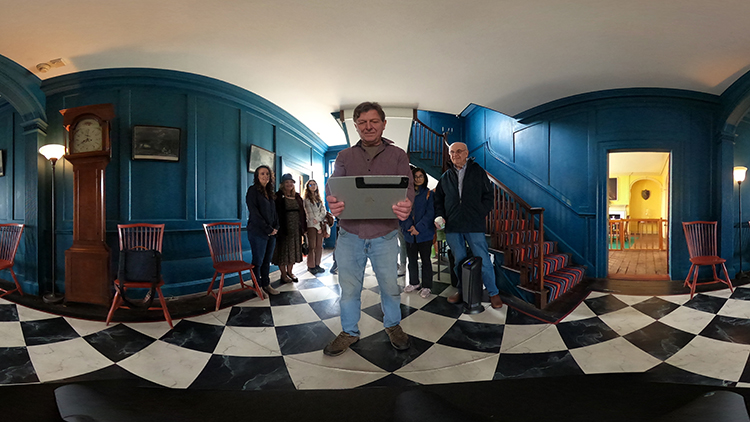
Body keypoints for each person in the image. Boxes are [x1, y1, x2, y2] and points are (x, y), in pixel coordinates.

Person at [324, 101, 414, 357]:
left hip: (384, 234)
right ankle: (349, 331)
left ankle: (393, 326)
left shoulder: (398, 155)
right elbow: (333, 187)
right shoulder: (343, 156)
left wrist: (407, 204)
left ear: (384, 124)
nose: (368, 126)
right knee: (349, 289)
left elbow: (407, 188)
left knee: (390, 286)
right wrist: (332, 203)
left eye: (374, 121)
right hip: (349, 234)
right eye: (362, 122)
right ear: (356, 126)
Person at [434, 142, 503, 309]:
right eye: (452, 152)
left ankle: (494, 293)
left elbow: (488, 196)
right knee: (459, 261)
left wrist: (480, 212)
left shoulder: (478, 172)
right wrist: (439, 215)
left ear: (466, 153)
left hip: (474, 224)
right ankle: (462, 290)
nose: (455, 155)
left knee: (483, 259)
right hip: (453, 225)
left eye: (459, 151)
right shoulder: (445, 177)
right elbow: (438, 201)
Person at [400, 167, 435, 299]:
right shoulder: (405, 194)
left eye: (421, 176)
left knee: (426, 260)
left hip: (424, 233)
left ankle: (427, 286)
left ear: (424, 178)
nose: (418, 179)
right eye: (416, 176)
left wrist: (418, 228)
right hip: (409, 234)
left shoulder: (429, 194)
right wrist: (409, 227)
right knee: (412, 260)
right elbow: (402, 212)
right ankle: (414, 282)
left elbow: (430, 213)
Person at [245, 165, 280, 296]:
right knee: (258, 261)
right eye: (262, 174)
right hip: (257, 232)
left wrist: (276, 227)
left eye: (267, 174)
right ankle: (257, 286)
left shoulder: (270, 192)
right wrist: (268, 229)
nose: (265, 176)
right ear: (257, 176)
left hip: (272, 232)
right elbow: (254, 213)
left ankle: (266, 284)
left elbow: (275, 212)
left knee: (267, 260)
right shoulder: (252, 191)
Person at [273, 173, 307, 283]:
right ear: (282, 184)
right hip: (283, 229)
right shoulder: (277, 196)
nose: (289, 184)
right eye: (287, 182)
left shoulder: (297, 196)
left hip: (296, 229)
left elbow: (303, 212)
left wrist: (303, 227)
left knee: (293, 251)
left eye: (291, 182)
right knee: (283, 252)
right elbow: (275, 213)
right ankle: (283, 274)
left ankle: (290, 272)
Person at [303, 179, 328, 275]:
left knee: (319, 246)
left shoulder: (319, 199)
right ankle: (311, 265)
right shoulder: (306, 200)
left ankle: (317, 264)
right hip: (311, 225)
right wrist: (316, 223)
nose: (313, 186)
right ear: (307, 187)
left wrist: (318, 221)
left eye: (314, 184)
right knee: (312, 246)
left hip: (319, 224)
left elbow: (323, 211)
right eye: (310, 185)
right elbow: (309, 214)